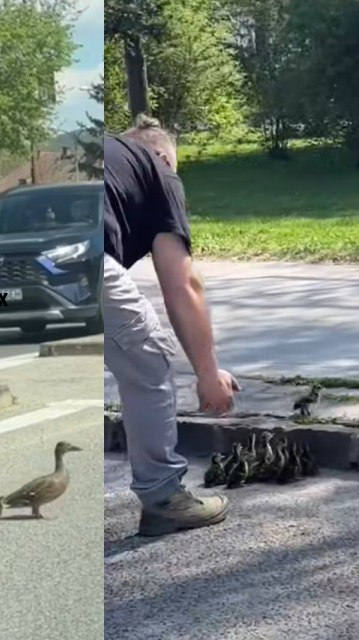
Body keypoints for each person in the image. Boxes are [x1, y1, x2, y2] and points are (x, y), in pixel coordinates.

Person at [104, 114, 240, 537]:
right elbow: (182, 284)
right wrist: (208, 375)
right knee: (150, 358)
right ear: (162, 154)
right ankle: (164, 497)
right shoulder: (158, 170)